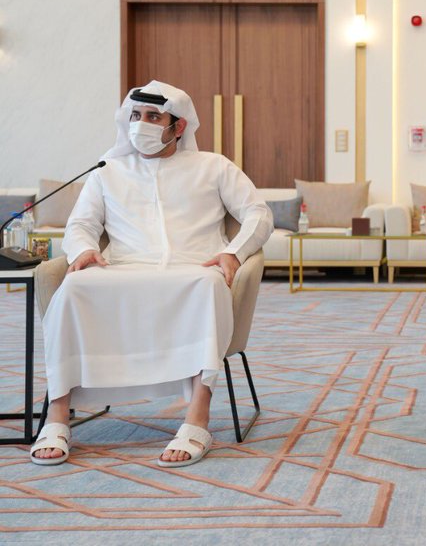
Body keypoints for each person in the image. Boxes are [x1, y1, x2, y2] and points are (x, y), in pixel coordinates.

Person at [31, 81, 274, 468]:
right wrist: (83, 250)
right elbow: (80, 225)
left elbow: (259, 214)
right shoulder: (108, 170)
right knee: (73, 287)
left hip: (193, 269)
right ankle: (57, 416)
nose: (140, 124)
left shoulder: (213, 167)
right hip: (123, 267)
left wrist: (234, 252)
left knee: (209, 285)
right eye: (135, 116)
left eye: (152, 117)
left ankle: (197, 418)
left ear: (179, 126)